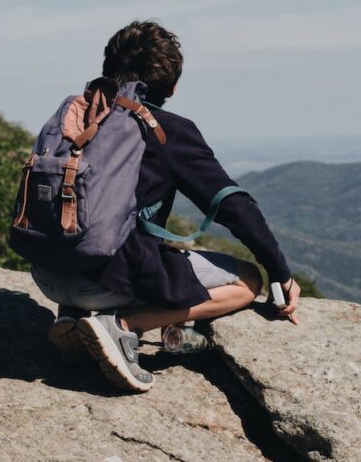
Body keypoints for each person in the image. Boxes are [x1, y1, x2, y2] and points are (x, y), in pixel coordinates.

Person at [29, 20, 300, 392]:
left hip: (47, 274)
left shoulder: (75, 116)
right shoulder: (167, 128)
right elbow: (234, 207)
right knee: (248, 281)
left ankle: (75, 320)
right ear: (172, 87)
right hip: (107, 284)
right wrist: (280, 273)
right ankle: (123, 326)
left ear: (108, 70)